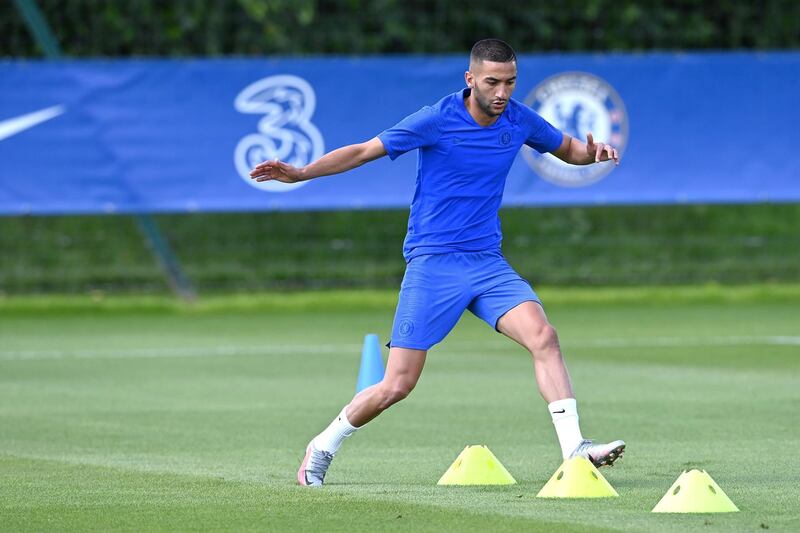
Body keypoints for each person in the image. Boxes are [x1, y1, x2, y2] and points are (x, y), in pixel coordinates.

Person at [250, 39, 624, 487]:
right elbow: (364, 151)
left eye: (509, 82)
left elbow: (567, 148)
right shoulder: (435, 119)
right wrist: (302, 172)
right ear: (470, 80)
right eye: (492, 82)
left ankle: (575, 450)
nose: (502, 92)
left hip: (487, 262)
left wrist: (592, 153)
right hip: (433, 264)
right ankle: (324, 444)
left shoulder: (519, 118)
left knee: (544, 336)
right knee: (397, 385)